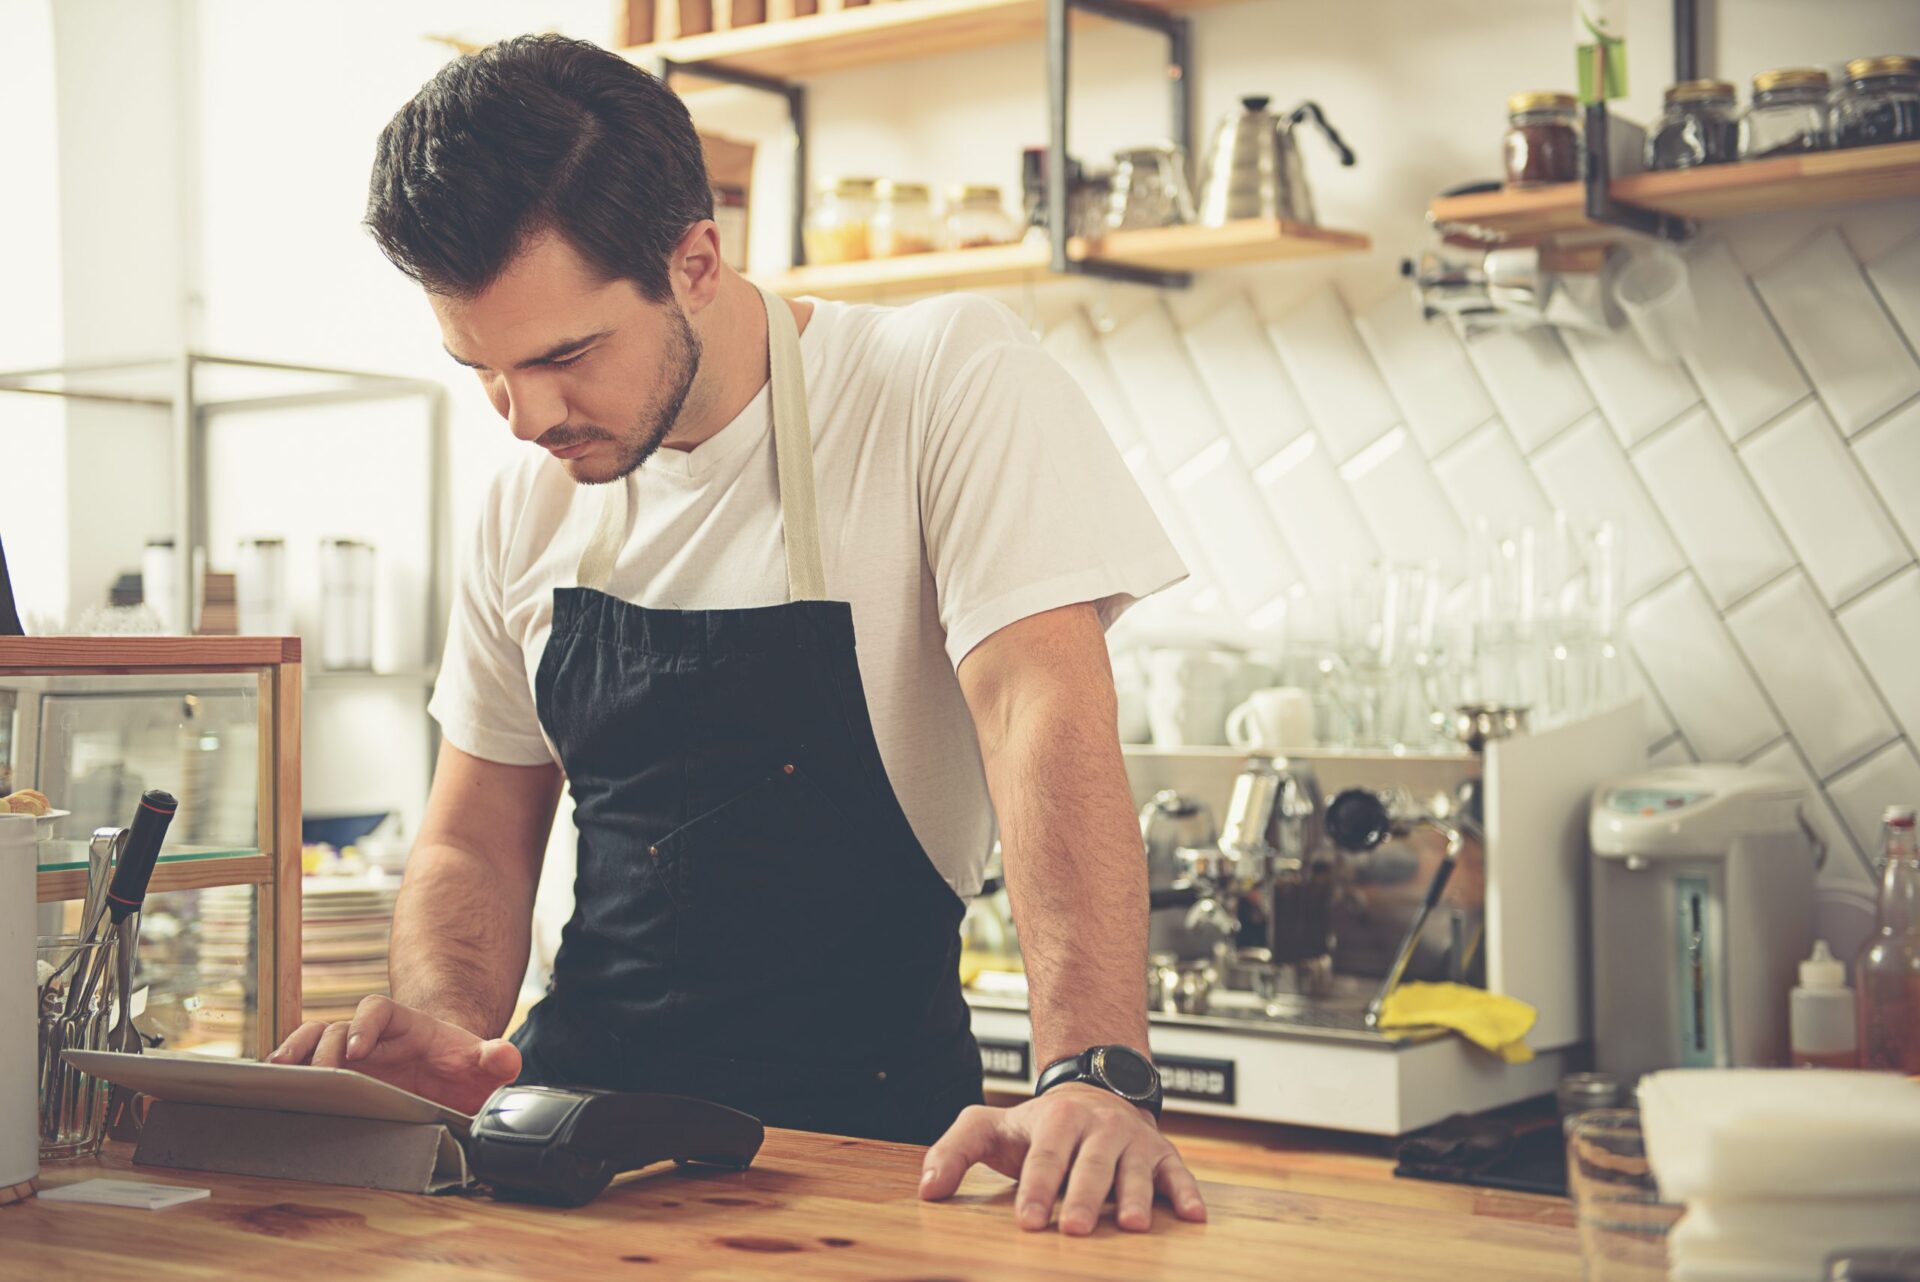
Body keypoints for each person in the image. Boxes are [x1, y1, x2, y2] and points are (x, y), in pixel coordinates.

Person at [270, 33, 1205, 1235]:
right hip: (574, 1159)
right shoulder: (527, 496)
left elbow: (1043, 713)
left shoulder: (941, 385)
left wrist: (1093, 1068)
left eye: (564, 355)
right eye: (482, 371)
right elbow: (478, 833)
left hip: (877, 1162)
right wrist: (450, 1029)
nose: (525, 417)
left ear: (697, 260)